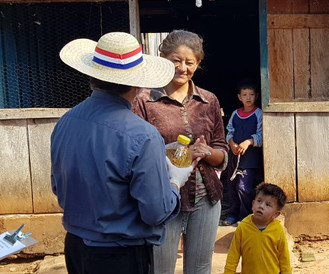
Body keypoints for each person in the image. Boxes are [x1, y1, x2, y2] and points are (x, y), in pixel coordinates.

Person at [51, 32, 193, 274]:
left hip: (76, 247)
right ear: (136, 84)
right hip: (119, 256)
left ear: (93, 77)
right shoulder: (143, 135)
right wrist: (175, 182)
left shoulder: (66, 121)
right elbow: (156, 211)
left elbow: (58, 186)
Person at [132, 30, 228, 274]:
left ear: (198, 63)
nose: (182, 67)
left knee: (200, 268)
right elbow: (135, 154)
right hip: (162, 200)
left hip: (205, 199)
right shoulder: (144, 100)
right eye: (176, 60)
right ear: (162, 57)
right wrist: (182, 154)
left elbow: (222, 151)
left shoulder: (209, 101)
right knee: (160, 269)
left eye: (189, 62)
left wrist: (207, 152)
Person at [221, 82, 264, 226]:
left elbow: (262, 134)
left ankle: (244, 216)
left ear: (257, 96)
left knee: (243, 187)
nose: (248, 98)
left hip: (249, 157)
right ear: (239, 97)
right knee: (232, 185)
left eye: (251, 94)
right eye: (245, 95)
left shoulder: (258, 113)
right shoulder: (235, 114)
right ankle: (232, 214)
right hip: (234, 156)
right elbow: (230, 132)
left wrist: (248, 142)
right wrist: (231, 143)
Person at [224, 183, 291, 274]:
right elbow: (233, 255)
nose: (261, 206)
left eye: (268, 205)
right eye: (259, 201)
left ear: (275, 214)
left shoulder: (277, 230)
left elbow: (284, 258)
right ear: (253, 204)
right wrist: (229, 272)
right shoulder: (243, 227)